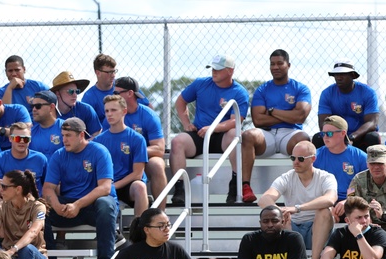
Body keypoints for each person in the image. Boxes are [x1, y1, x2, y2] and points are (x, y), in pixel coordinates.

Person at [170, 55, 250, 206]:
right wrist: (187, 124)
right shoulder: (201, 84)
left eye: (218, 69)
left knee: (235, 135)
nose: (214, 72)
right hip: (200, 134)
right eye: (212, 68)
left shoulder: (239, 92)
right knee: (177, 141)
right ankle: (179, 190)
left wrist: (213, 129)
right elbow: (180, 101)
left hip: (222, 137)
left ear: (230, 71)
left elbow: (236, 120)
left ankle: (234, 186)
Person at [42, 117, 117, 259]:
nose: (64, 140)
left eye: (68, 135)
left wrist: (77, 205)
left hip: (93, 206)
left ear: (81, 135)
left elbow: (105, 188)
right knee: (40, 210)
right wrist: (56, 206)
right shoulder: (58, 155)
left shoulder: (99, 151)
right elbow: (48, 188)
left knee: (105, 204)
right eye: (63, 135)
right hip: (68, 206)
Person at [239, 50, 312, 203]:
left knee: (304, 139)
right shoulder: (262, 89)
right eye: (272, 64)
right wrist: (288, 114)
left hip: (290, 133)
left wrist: (272, 111)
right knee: (248, 135)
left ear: (288, 65)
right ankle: (245, 187)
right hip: (268, 135)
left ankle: (303, 186)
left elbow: (300, 116)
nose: (275, 67)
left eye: (280, 63)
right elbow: (258, 120)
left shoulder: (300, 88)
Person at [255, 141, 336, 259]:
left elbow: (330, 199)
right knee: (280, 216)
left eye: (301, 159)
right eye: (293, 158)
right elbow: (264, 199)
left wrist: (297, 208)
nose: (296, 162)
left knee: (325, 211)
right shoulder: (287, 177)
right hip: (292, 228)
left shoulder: (326, 177)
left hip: (316, 230)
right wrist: (281, 211)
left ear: (313, 159)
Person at [109, 76, 166, 203]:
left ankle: (159, 216)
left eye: (117, 93)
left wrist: (135, 152)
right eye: (114, 93)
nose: (114, 96)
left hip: (145, 156)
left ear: (130, 93)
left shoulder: (148, 115)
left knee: (157, 164)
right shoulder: (112, 115)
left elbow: (159, 148)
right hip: (121, 158)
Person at [94, 95, 149, 218]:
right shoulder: (98, 141)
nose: (109, 114)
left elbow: (137, 174)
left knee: (140, 187)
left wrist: (113, 186)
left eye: (113, 110)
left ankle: (139, 230)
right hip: (105, 185)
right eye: (107, 111)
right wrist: (106, 186)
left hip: (127, 186)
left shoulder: (137, 139)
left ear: (124, 111)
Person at [315, 60, 380, 151]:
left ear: (353, 75)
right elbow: (323, 123)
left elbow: (372, 122)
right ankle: (321, 165)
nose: (338, 77)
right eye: (336, 74)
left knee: (372, 137)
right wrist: (338, 137)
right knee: (317, 138)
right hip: (336, 136)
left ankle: (369, 165)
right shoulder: (327, 93)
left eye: (343, 74)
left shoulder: (368, 92)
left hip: (360, 136)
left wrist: (352, 137)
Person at [314, 116, 368, 218]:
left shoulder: (360, 157)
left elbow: (366, 186)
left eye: (329, 133)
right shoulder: (315, 157)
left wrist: (348, 200)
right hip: (325, 201)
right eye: (322, 134)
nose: (325, 137)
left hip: (352, 202)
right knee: (326, 214)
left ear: (343, 133)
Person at [0, 122, 47, 196]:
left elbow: (47, 185)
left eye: (26, 139)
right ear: (10, 138)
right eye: (17, 138)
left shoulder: (40, 159)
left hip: (33, 202)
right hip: (8, 201)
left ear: (30, 140)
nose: (22, 141)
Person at [49, 71, 101, 136]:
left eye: (77, 91)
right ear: (58, 93)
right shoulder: (50, 114)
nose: (75, 95)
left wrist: (82, 145)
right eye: (70, 91)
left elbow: (97, 134)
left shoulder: (86, 109)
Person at [81, 53, 119, 123]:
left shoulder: (122, 87)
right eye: (109, 72)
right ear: (98, 73)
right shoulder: (89, 97)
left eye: (114, 71)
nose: (113, 75)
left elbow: (144, 106)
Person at [28, 90, 64, 160]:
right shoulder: (31, 132)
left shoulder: (65, 128)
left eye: (38, 106)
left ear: (51, 107)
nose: (34, 109)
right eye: (32, 106)